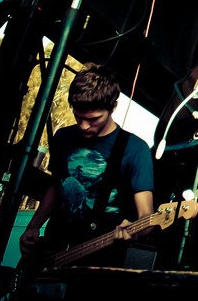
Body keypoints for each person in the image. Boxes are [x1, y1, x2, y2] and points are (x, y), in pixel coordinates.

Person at [18, 62, 155, 269]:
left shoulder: (135, 149)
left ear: (113, 107)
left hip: (100, 259)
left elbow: (147, 215)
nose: (84, 126)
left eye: (93, 119)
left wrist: (134, 231)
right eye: (78, 117)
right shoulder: (63, 137)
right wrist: (33, 226)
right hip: (54, 249)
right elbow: (57, 186)